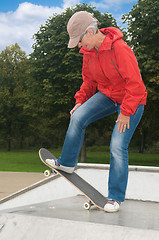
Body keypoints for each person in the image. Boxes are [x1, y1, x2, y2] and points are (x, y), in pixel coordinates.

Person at [46, 11, 147, 212]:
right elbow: (89, 81)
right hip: (108, 96)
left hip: (131, 99)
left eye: (81, 40)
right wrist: (80, 102)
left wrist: (126, 112)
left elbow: (136, 84)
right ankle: (66, 163)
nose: (80, 46)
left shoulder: (120, 49)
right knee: (78, 116)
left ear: (90, 31)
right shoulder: (89, 53)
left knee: (117, 146)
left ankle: (115, 198)